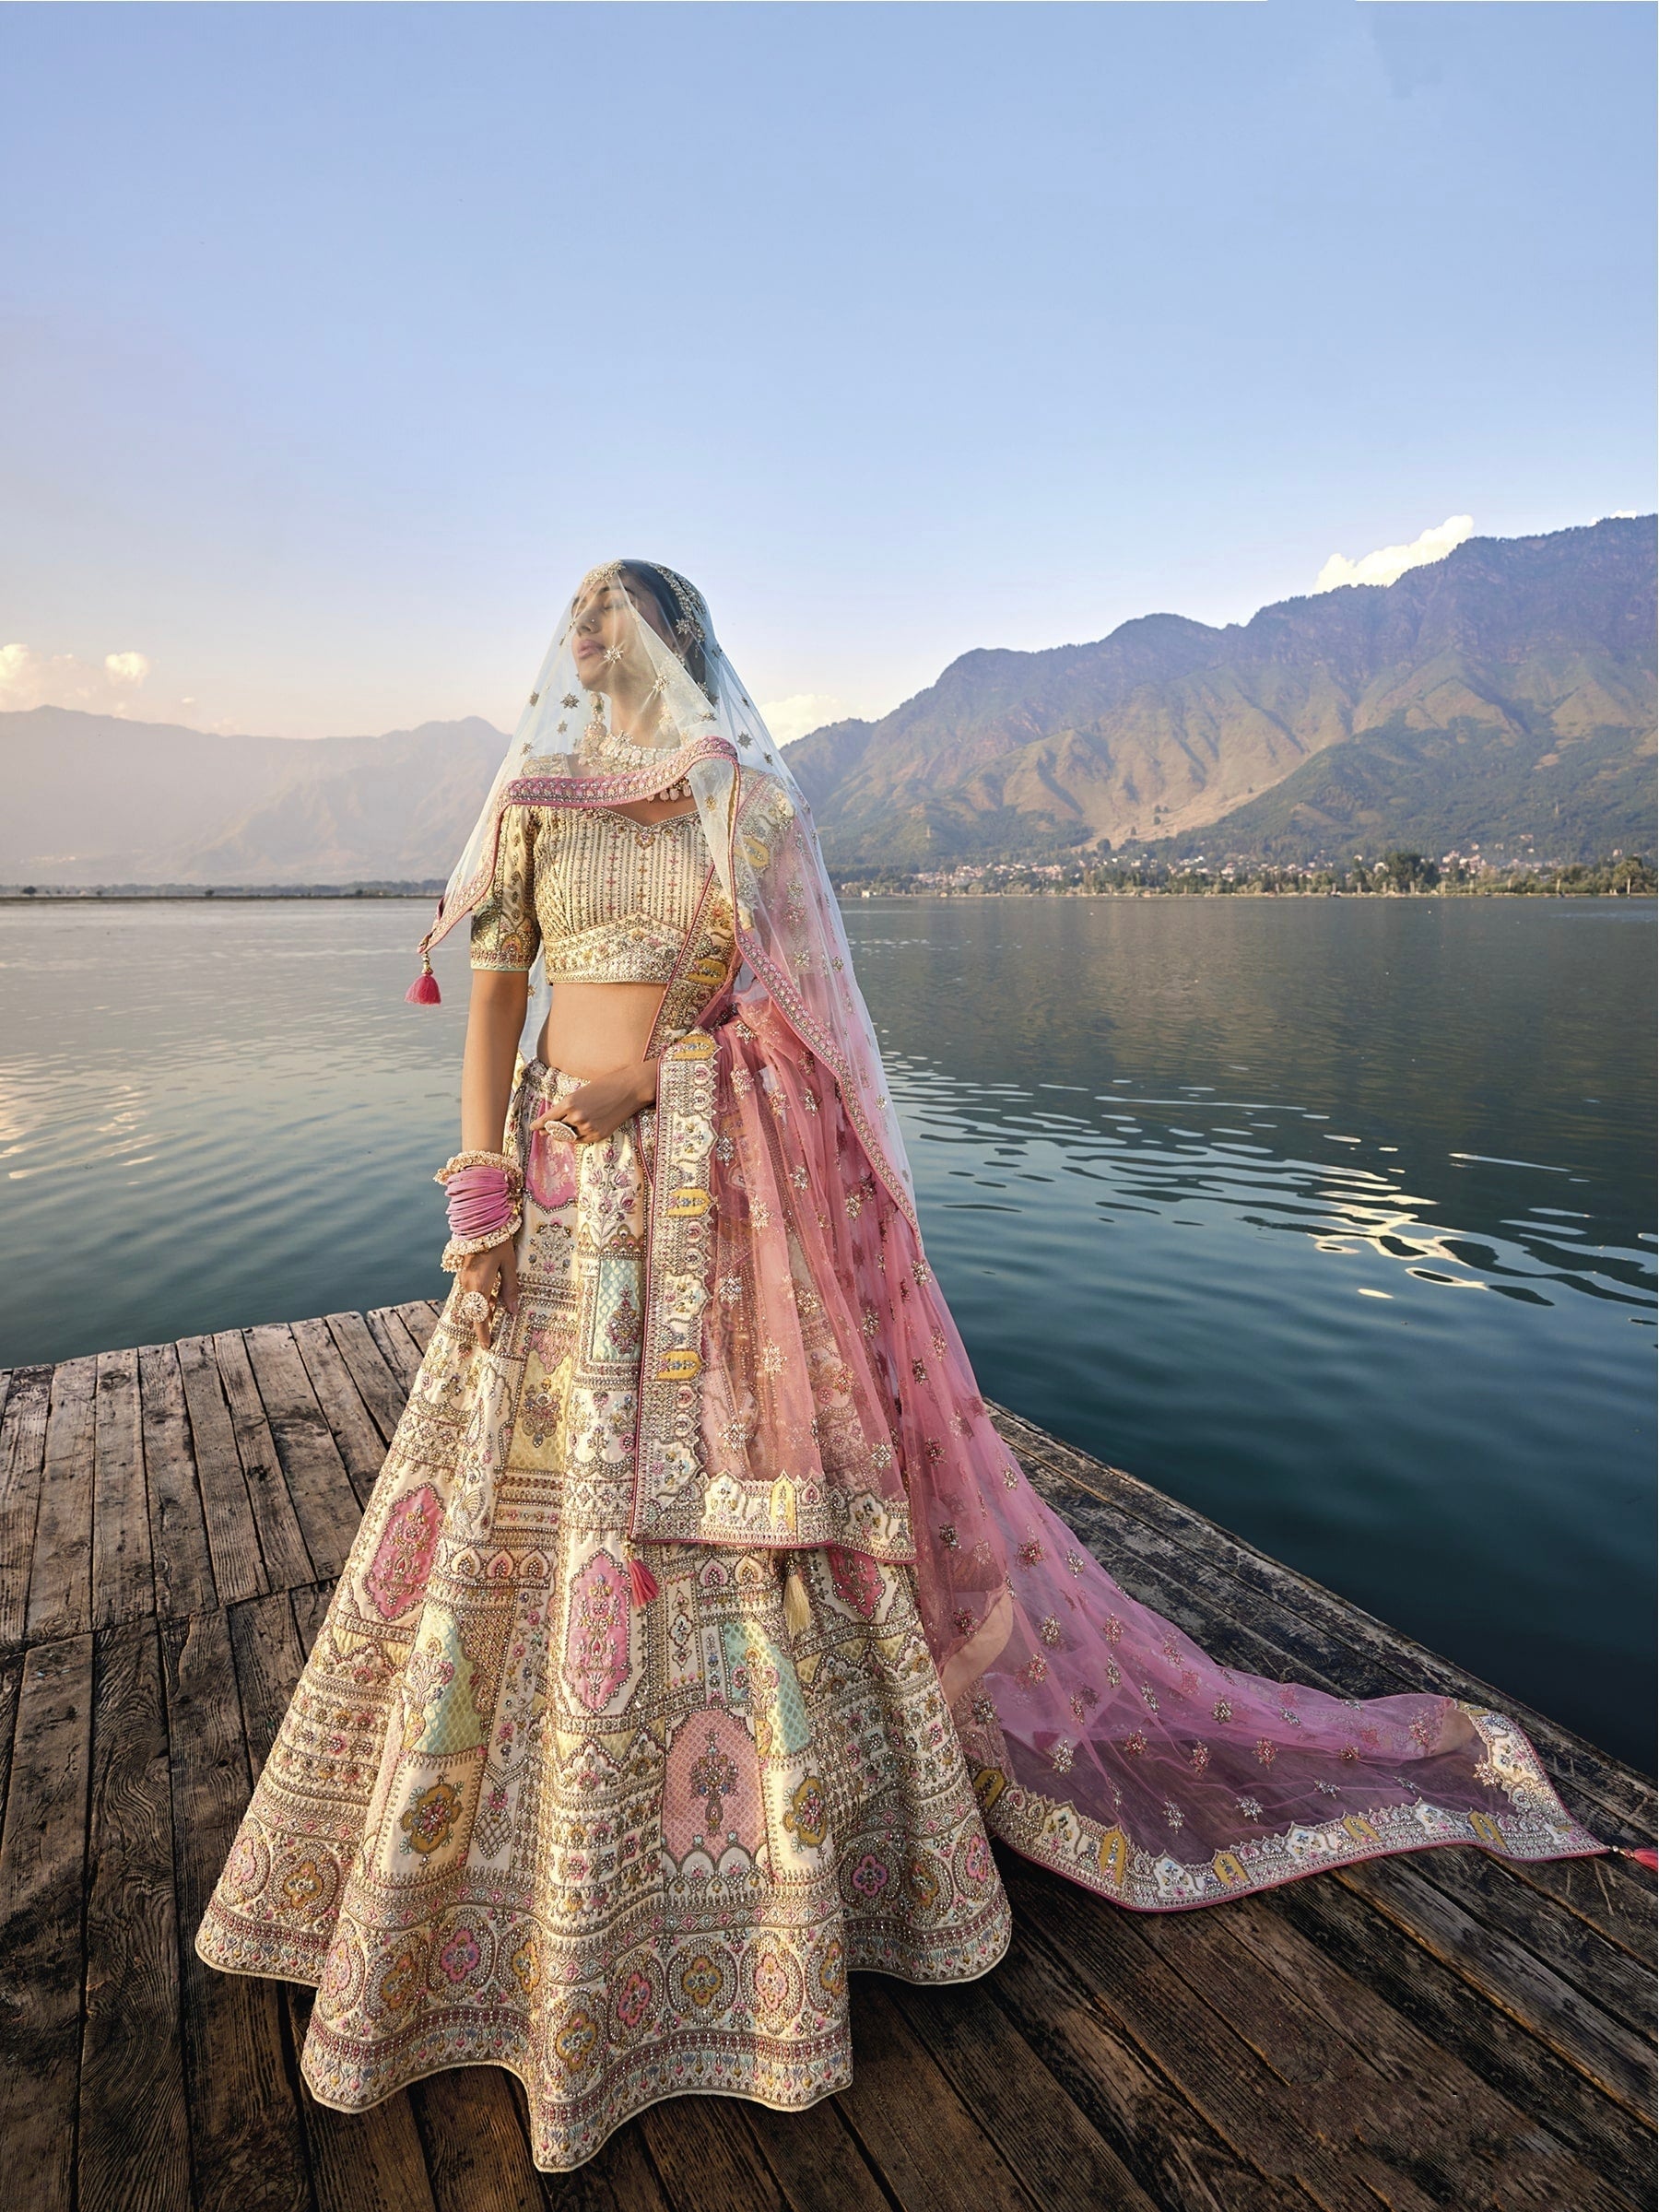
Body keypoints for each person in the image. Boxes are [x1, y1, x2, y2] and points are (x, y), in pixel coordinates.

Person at [196, 560, 1618, 2174]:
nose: (585, 646)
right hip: (558, 1209)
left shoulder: (743, 806)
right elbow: (500, 997)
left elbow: (783, 1022)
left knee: (734, 1536)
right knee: (506, 1533)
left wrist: (660, 1085)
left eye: (617, 622)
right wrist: (481, 1185)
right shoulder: (532, 799)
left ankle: (793, 1888)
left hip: (702, 1217)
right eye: (572, 626)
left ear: (681, 642)